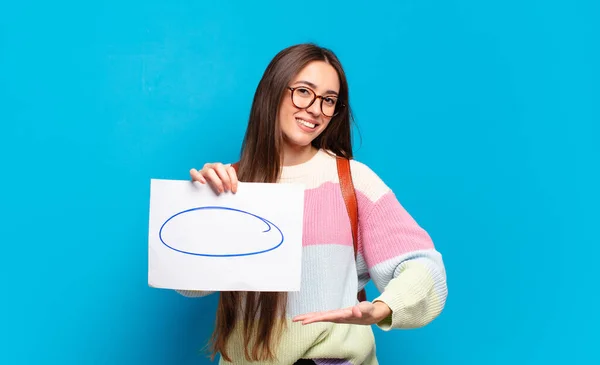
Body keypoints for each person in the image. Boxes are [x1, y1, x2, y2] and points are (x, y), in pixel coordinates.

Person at [178, 43, 448, 365]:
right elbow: (188, 287)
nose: (316, 109)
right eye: (304, 91)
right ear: (273, 91)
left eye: (329, 100)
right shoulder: (232, 185)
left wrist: (384, 307)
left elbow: (426, 268)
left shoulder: (353, 181)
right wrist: (205, 208)